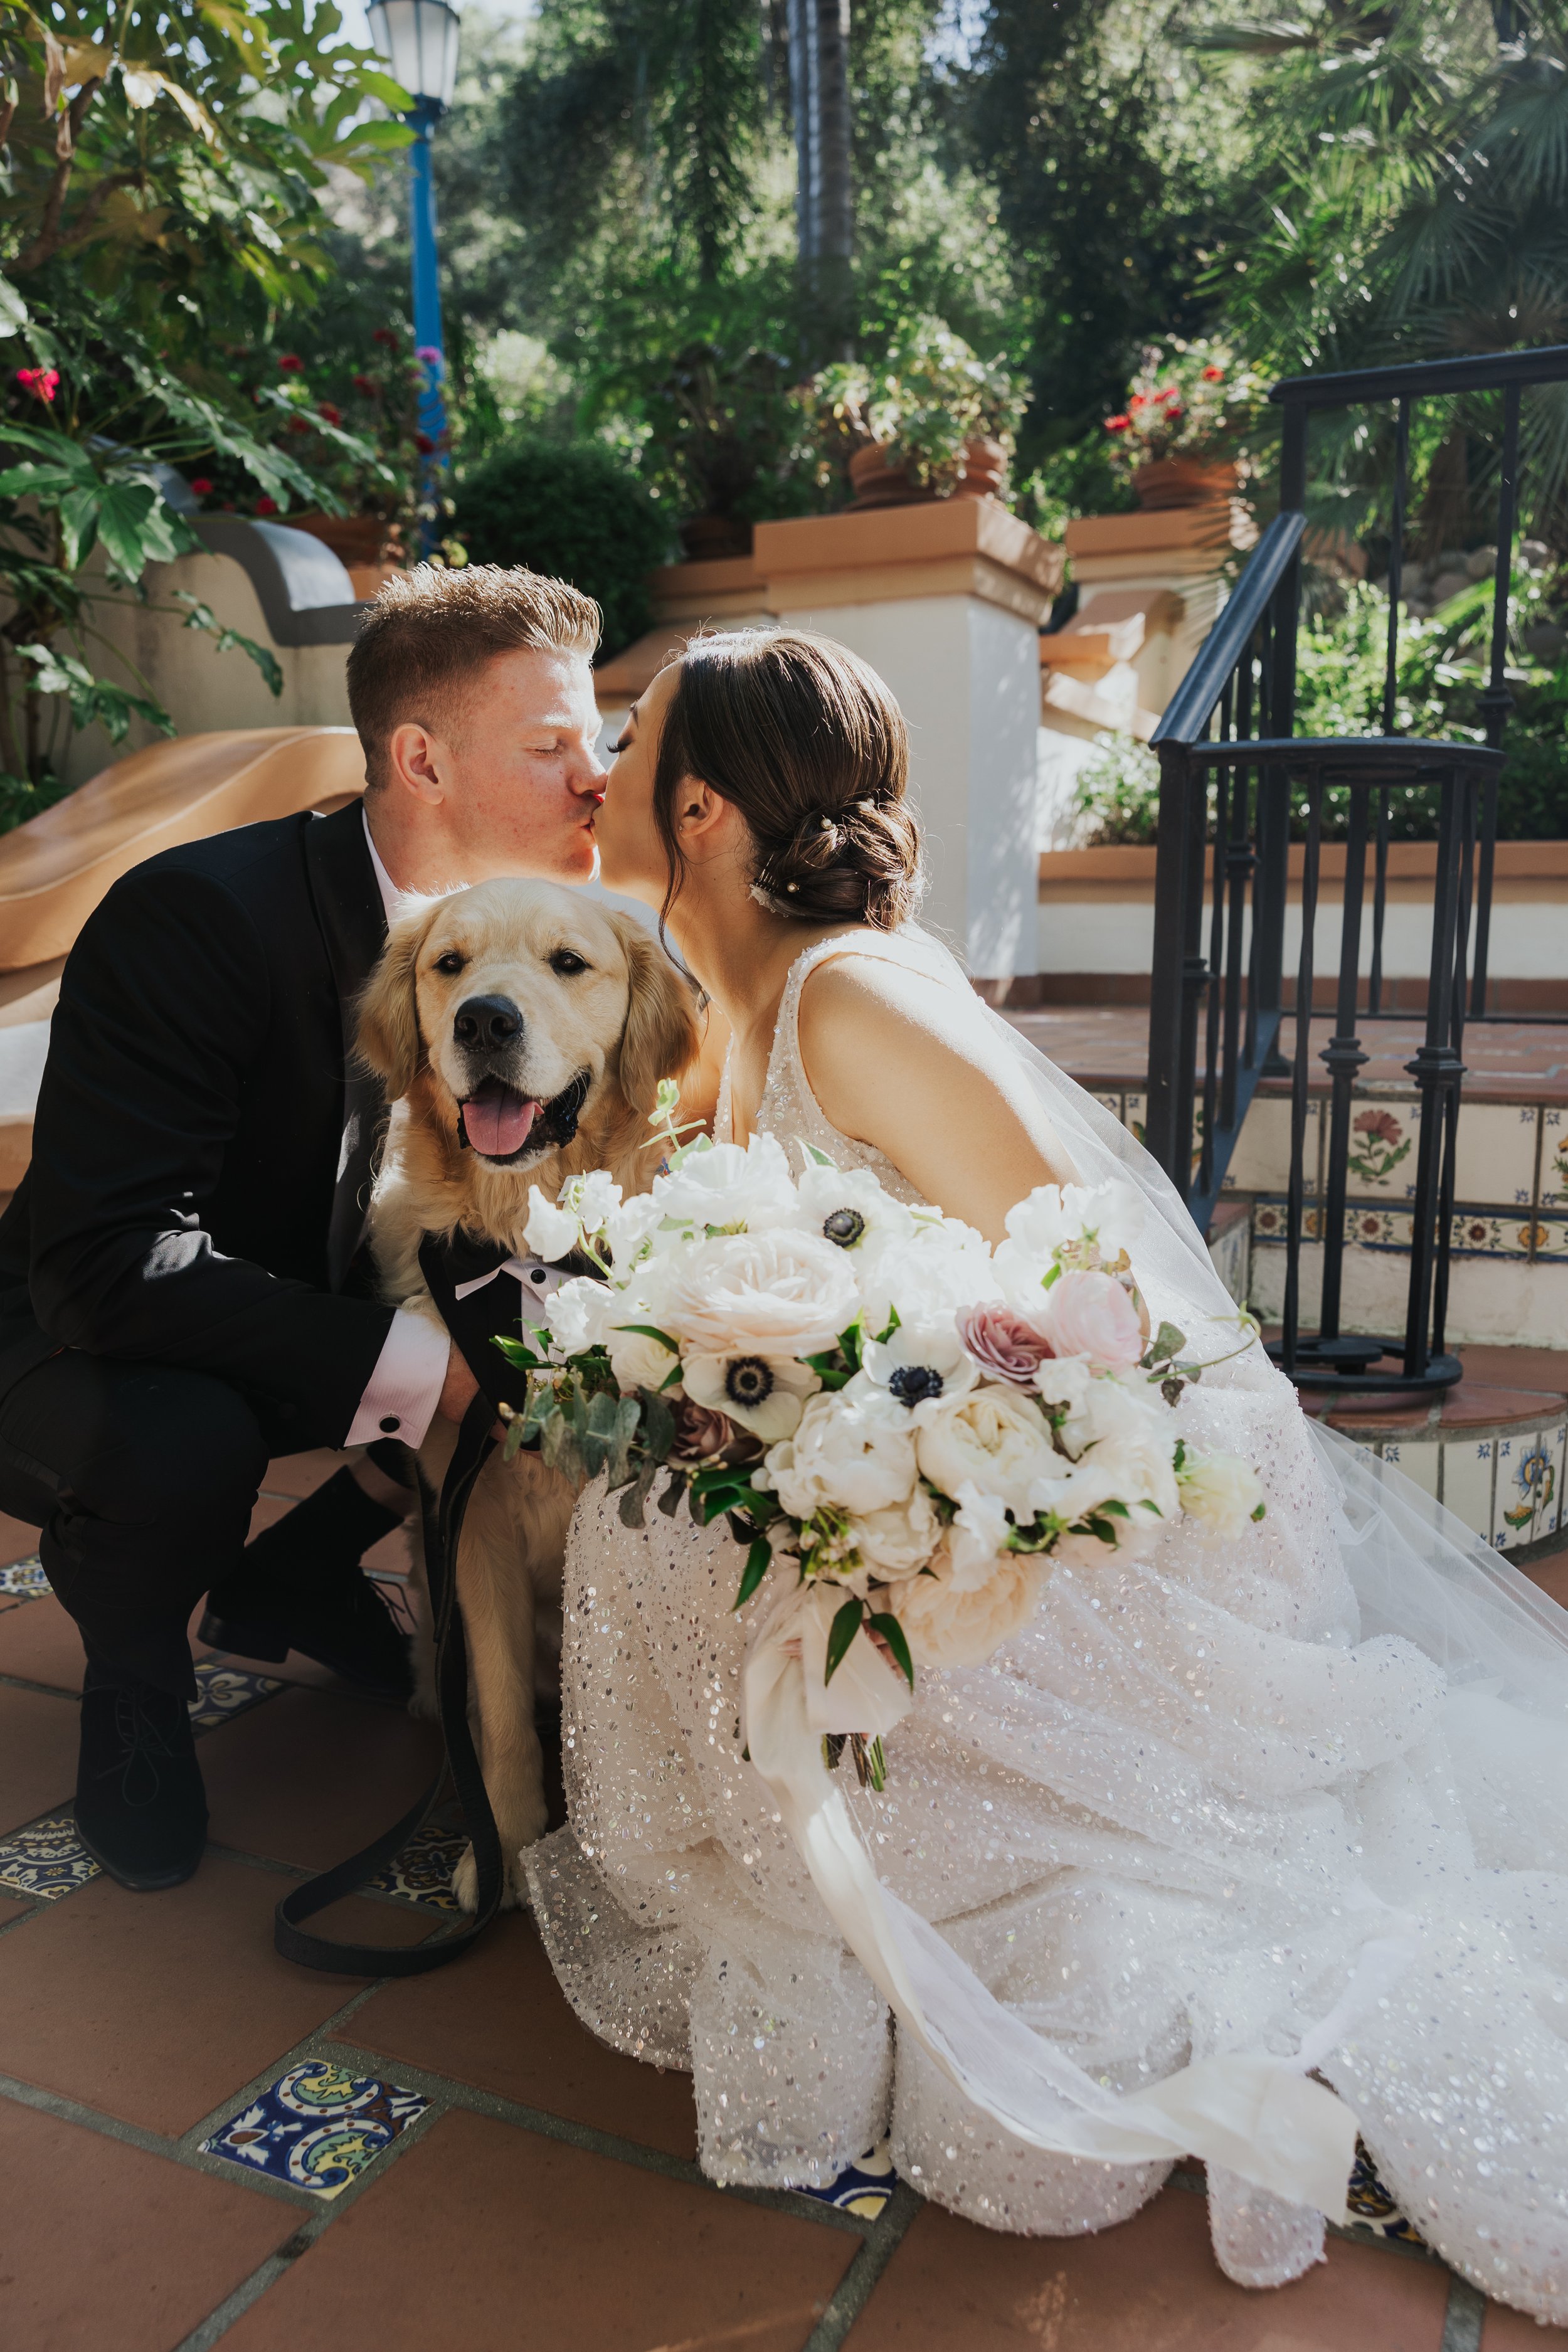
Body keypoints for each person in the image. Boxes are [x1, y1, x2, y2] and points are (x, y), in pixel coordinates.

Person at [522, 627, 1568, 2320]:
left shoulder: (845, 992)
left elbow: (1100, 1314)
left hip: (1089, 1498)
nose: (593, 768)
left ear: (697, 803)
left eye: (627, 740)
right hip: (934, 1455)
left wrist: (884, 1492)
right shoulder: (748, 995)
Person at [0, 563, 620, 1894]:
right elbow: (110, 1263)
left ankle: (287, 1576)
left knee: (528, 1329)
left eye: (603, 743)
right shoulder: (202, 918)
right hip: (66, 1339)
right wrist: (431, 1368)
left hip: (298, 1303)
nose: (598, 779)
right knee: (191, 1439)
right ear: (419, 759)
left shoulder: (533, 940)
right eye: (554, 745)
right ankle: (136, 1681)